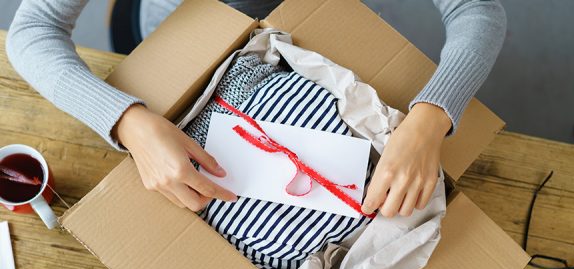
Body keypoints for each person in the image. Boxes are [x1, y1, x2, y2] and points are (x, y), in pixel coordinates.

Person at [6, 0, 506, 218]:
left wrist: (429, 119)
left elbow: (477, 10)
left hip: (329, 31)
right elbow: (31, 32)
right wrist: (127, 122)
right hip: (172, 44)